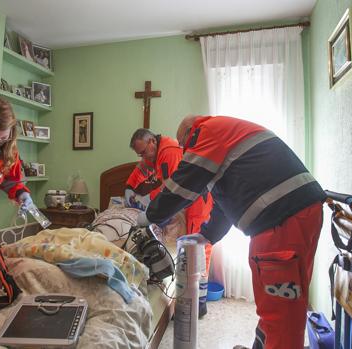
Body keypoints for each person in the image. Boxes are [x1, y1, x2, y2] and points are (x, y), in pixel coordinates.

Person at [137, 116, 326, 349]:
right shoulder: (226, 136)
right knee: (286, 300)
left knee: (280, 310)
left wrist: (147, 216)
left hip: (281, 222)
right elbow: (223, 202)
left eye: (186, 146)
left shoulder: (205, 133)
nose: (187, 152)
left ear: (190, 132)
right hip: (302, 213)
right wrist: (208, 234)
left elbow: (180, 187)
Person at [127, 128, 214, 316]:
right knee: (196, 251)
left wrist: (150, 205)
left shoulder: (169, 152)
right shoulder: (159, 152)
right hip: (193, 202)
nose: (143, 157)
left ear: (151, 142)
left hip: (197, 204)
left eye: (143, 152)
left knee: (196, 251)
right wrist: (132, 191)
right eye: (139, 155)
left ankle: (199, 305)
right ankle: (197, 302)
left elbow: (173, 190)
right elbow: (146, 174)